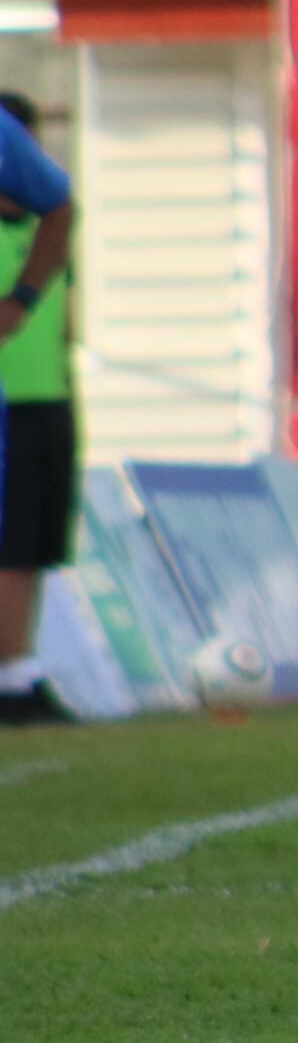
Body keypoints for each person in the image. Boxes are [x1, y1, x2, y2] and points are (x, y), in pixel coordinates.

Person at [0, 90, 79, 723]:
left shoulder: (43, 227)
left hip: (45, 395)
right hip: (17, 399)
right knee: (14, 548)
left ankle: (19, 671)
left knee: (31, 548)